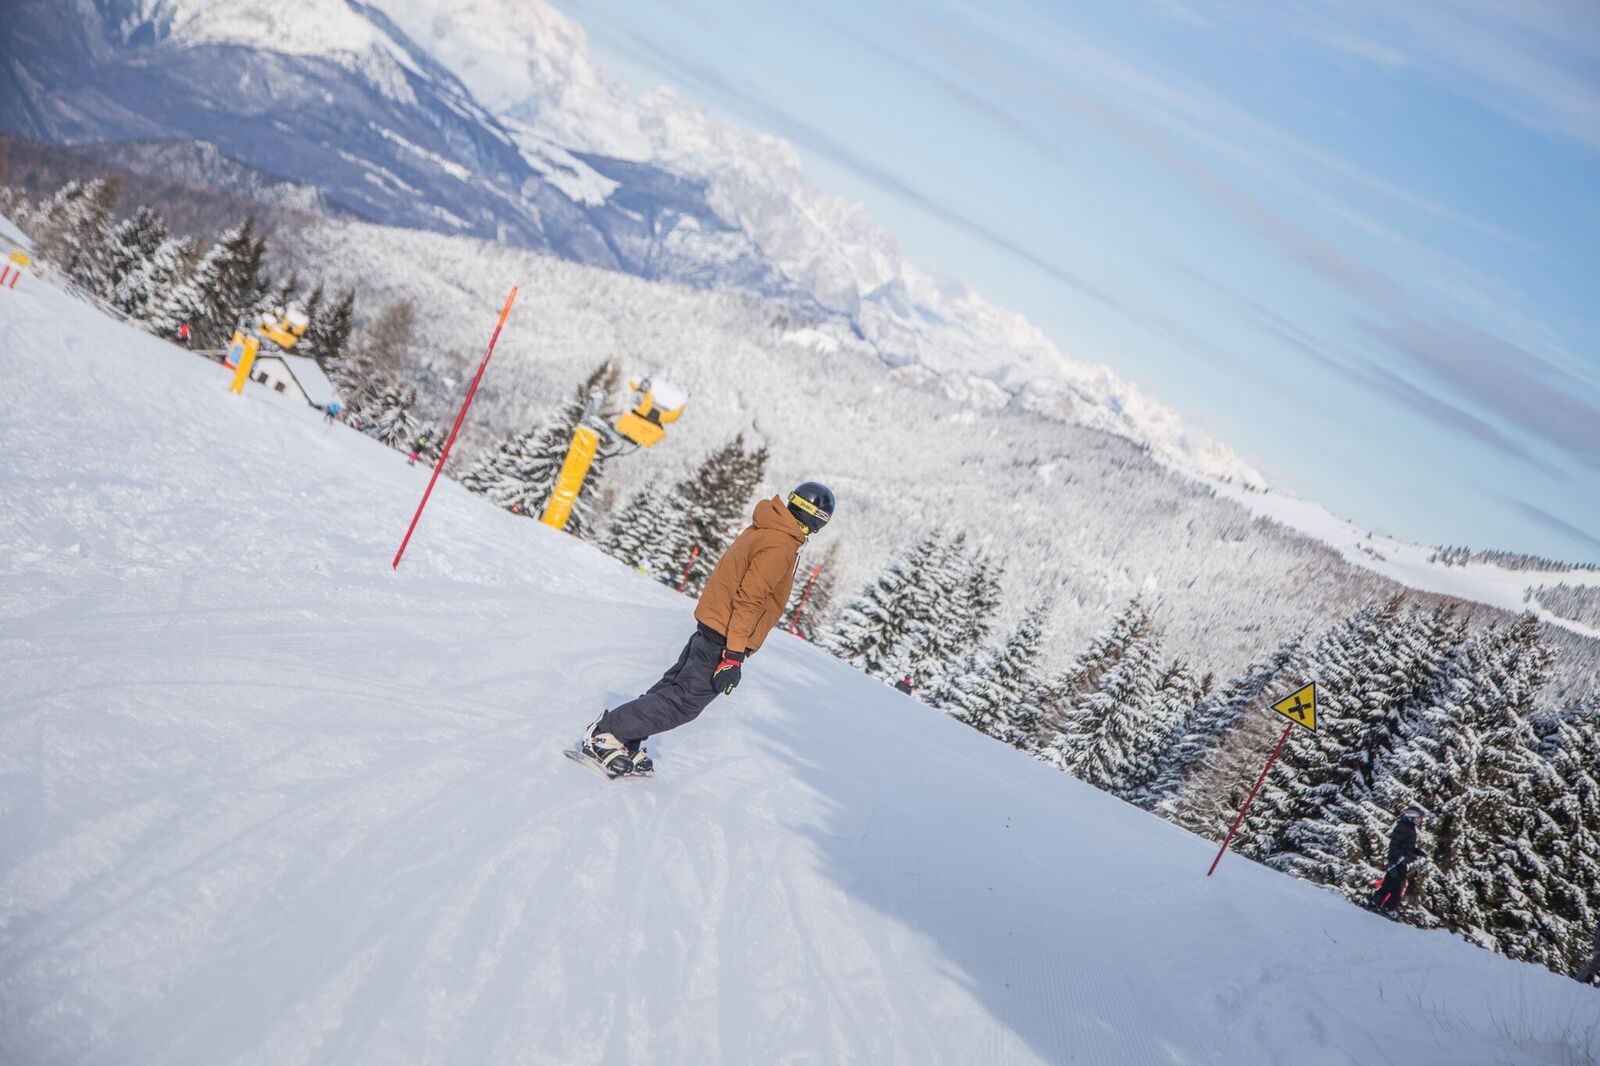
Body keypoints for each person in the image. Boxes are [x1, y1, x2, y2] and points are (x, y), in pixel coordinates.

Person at [579, 482, 835, 777]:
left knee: (673, 688)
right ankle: (607, 733)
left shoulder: (770, 527)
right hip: (726, 635)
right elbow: (749, 599)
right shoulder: (781, 544)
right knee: (684, 702)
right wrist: (733, 655)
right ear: (816, 518)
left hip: (715, 626)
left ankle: (623, 739)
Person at [1369, 803, 1427, 913]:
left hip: (1401, 862)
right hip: (1396, 862)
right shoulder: (1403, 827)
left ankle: (1377, 905)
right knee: (1396, 888)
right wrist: (1400, 857)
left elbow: (1407, 846)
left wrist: (1418, 852)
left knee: (1390, 885)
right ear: (1412, 817)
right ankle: (1383, 907)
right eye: (1419, 818)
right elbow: (1394, 845)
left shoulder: (1410, 828)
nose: (1420, 820)